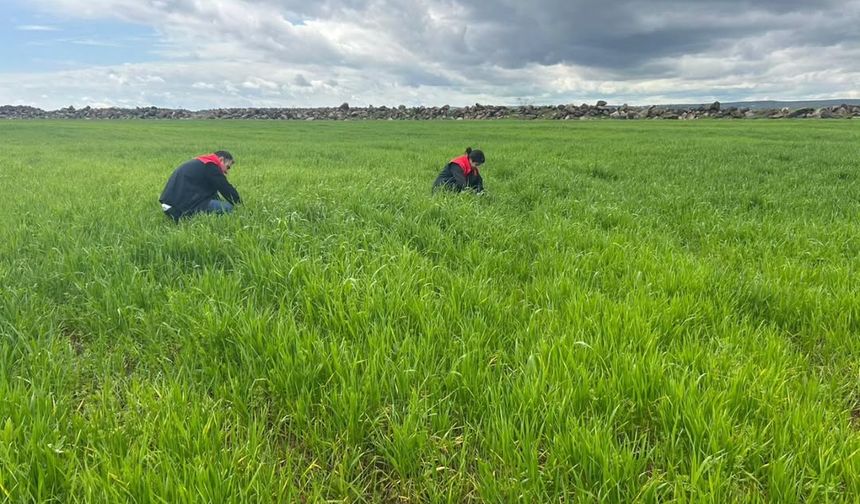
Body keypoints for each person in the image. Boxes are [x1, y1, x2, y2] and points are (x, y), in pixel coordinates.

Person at [159, 151, 241, 222]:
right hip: (179, 209)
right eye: (228, 167)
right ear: (221, 160)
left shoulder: (201, 163)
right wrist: (240, 205)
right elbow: (225, 188)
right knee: (229, 208)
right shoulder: (210, 166)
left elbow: (212, 192)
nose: (226, 172)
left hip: (170, 205)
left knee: (216, 200)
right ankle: (188, 217)